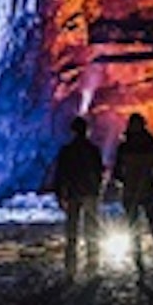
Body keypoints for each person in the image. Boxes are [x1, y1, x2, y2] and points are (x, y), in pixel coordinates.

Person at [113, 112, 153, 281]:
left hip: (131, 193)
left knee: (135, 232)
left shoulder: (124, 146)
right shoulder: (150, 143)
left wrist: (127, 181)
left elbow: (117, 173)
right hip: (146, 191)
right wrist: (152, 179)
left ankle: (141, 271)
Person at [52, 115, 104, 280]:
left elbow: (60, 175)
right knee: (91, 231)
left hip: (74, 194)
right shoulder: (93, 150)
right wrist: (97, 191)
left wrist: (60, 195)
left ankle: (70, 270)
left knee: (72, 232)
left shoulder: (67, 151)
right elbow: (99, 172)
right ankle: (92, 267)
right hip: (89, 194)